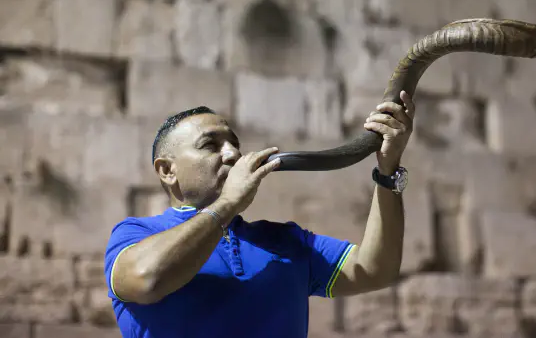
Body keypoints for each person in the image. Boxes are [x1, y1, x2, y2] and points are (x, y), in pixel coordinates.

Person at [103, 91, 416, 338]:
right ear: (167, 171)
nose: (233, 154)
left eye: (234, 144)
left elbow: (375, 270)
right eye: (210, 145)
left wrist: (388, 170)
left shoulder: (288, 241)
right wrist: (228, 203)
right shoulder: (136, 235)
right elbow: (147, 278)